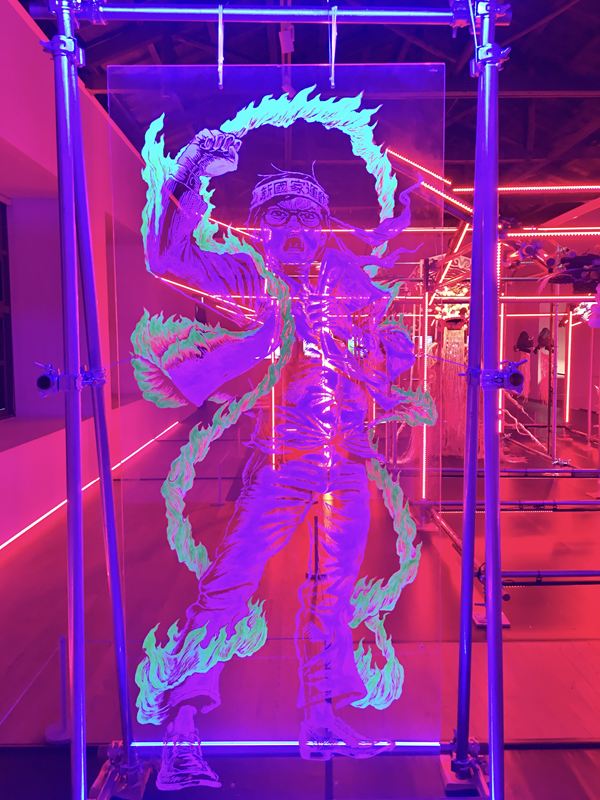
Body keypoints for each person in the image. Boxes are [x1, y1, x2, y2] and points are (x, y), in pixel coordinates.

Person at [134, 127, 433, 790]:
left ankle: (321, 718)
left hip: (346, 468)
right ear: (261, 227)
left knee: (333, 594)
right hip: (280, 464)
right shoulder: (251, 275)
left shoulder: (348, 281)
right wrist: (189, 175)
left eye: (306, 217)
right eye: (279, 217)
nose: (295, 229)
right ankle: (181, 730)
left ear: (322, 224)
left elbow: (386, 345)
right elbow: (165, 255)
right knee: (228, 587)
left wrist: (386, 361)